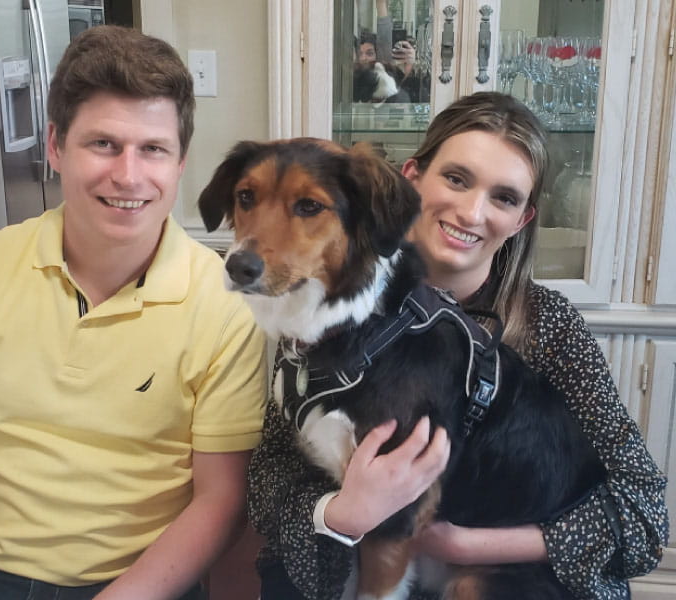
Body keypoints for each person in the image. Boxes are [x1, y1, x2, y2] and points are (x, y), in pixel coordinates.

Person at [0, 25, 267, 600]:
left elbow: (220, 499)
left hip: (135, 580)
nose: (129, 175)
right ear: (56, 146)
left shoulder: (226, 305)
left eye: (153, 149)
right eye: (104, 144)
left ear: (181, 161)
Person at [247, 91, 669, 599]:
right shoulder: (319, 306)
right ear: (411, 178)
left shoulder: (549, 324)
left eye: (504, 197)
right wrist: (342, 513)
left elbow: (644, 518)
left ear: (522, 220)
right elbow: (269, 481)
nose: (471, 212)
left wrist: (464, 547)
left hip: (502, 576)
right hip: (350, 560)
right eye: (456, 178)